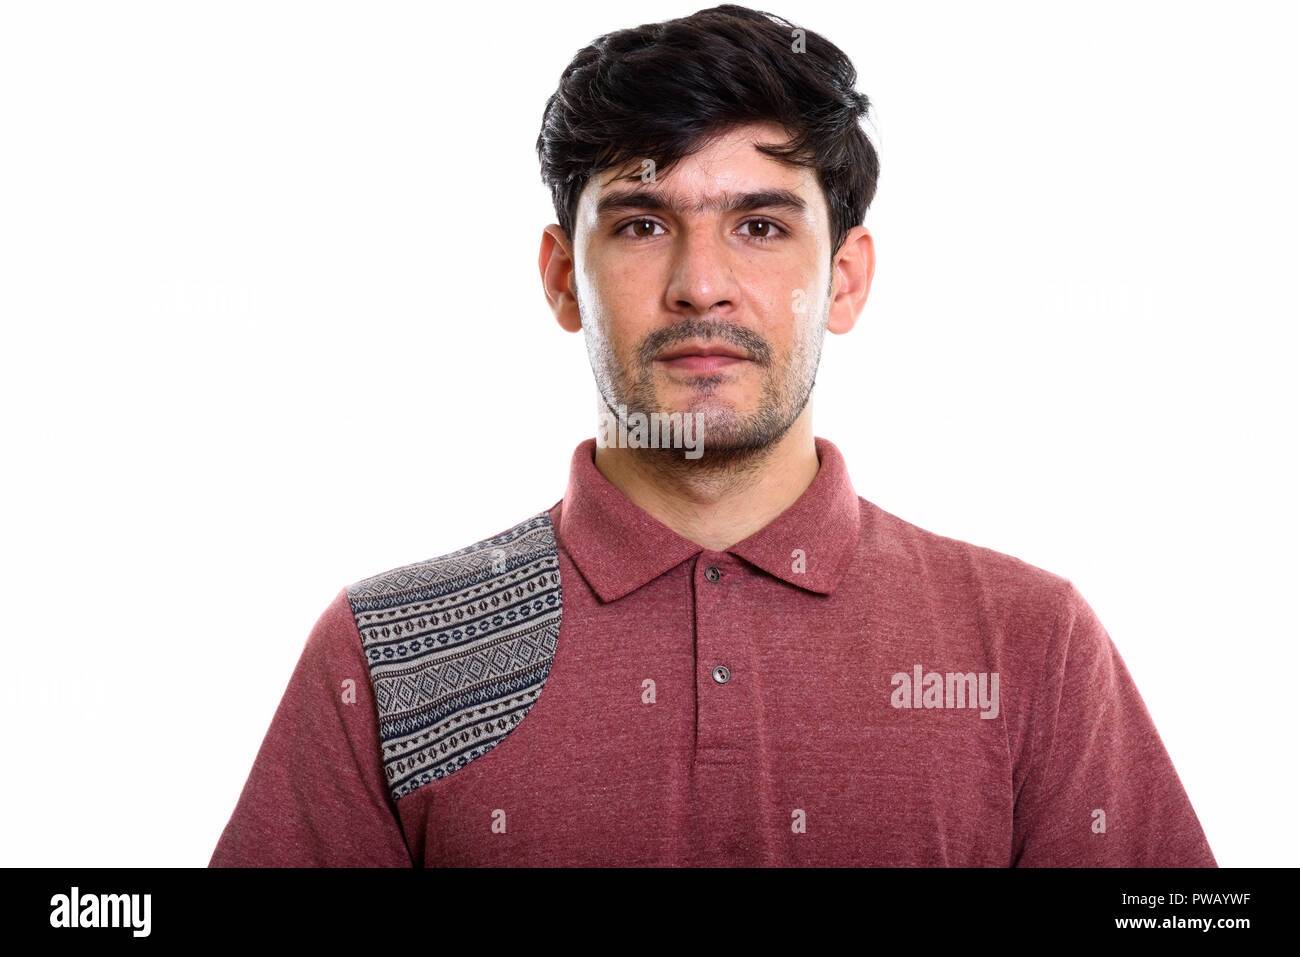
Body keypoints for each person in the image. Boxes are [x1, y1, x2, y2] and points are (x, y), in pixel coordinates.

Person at [209, 3, 1215, 867]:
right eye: (643, 223)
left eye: (761, 226)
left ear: (847, 278)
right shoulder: (393, 649)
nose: (700, 282)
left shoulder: (1030, 641)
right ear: (563, 277)